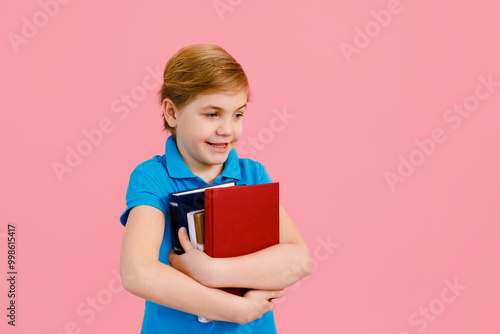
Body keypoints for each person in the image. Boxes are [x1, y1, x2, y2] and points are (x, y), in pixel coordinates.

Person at [119, 44, 312, 333]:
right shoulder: (152, 177)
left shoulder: (253, 175)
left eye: (238, 115)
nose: (227, 130)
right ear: (172, 113)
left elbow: (299, 260)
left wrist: (211, 272)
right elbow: (137, 273)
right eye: (212, 115)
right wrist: (237, 309)